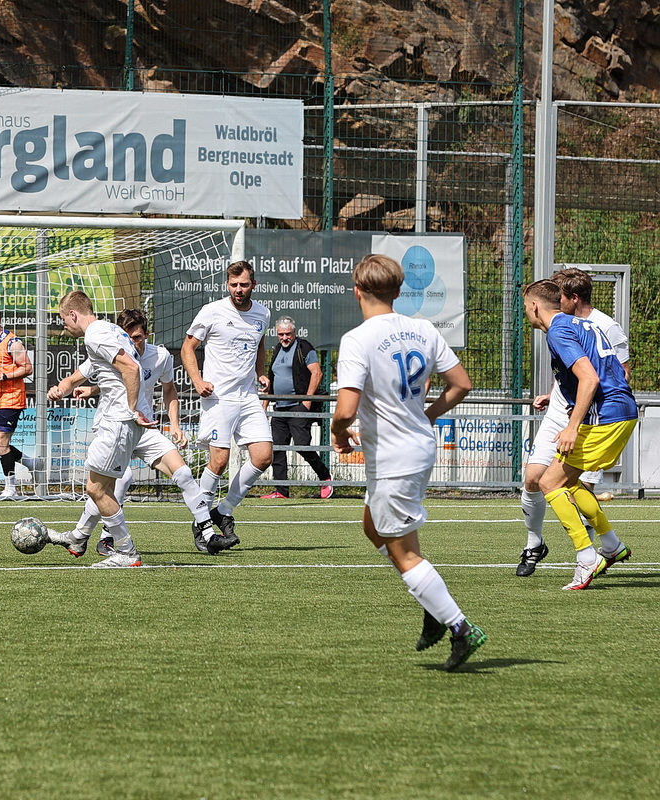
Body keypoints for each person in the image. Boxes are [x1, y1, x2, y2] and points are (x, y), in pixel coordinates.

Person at [330, 254, 486, 671]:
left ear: (357, 291)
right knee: (372, 527)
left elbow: (345, 410)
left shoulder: (357, 339)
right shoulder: (423, 329)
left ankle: (459, 626)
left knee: (405, 554)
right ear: (398, 291)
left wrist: (338, 432)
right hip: (415, 447)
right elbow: (461, 384)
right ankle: (434, 604)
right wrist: (426, 415)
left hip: (394, 456)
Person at [48, 308, 223, 556]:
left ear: (146, 335)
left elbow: (168, 390)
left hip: (143, 425)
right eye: (128, 336)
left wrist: (174, 425)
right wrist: (65, 388)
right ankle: (103, 538)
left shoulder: (160, 356)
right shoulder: (111, 345)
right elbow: (78, 378)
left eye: (138, 337)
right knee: (115, 481)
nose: (133, 342)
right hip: (118, 424)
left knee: (183, 473)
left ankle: (207, 534)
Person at [522, 278, 637, 590]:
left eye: (526, 308)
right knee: (569, 482)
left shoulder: (558, 331)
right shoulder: (583, 324)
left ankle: (587, 557)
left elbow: (589, 378)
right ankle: (611, 545)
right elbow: (615, 371)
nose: (527, 313)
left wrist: (572, 426)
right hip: (620, 412)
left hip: (605, 417)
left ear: (535, 306)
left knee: (549, 482)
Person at [46, 291, 156, 568]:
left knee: (95, 488)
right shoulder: (109, 331)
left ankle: (126, 552)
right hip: (119, 421)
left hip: (118, 421)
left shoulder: (95, 334)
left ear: (73, 314)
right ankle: (79, 537)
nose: (64, 326)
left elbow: (131, 369)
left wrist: (132, 409)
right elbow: (84, 373)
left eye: (64, 320)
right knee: (104, 486)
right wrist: (63, 387)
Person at [180, 260, 273, 553]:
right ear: (227, 285)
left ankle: (224, 510)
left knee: (263, 456)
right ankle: (202, 522)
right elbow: (187, 348)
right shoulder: (212, 311)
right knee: (219, 462)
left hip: (248, 397)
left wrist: (260, 372)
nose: (238, 290)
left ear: (253, 284)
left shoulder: (263, 313)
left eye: (244, 284)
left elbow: (260, 344)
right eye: (233, 285)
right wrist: (197, 380)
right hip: (219, 398)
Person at [260, 315, 334, 500]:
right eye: (281, 334)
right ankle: (281, 491)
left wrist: (306, 402)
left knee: (302, 446)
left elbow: (317, 373)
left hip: (298, 407)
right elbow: (271, 379)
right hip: (279, 408)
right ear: (276, 334)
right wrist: (264, 407)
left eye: (288, 334)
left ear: (295, 333)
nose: (285, 338)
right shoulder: (277, 349)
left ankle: (325, 477)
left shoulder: (304, 347)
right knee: (277, 448)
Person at [0, 303, 38, 498]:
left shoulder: (13, 343)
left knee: (1, 444)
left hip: (12, 398)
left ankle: (11, 488)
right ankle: (30, 462)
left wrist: (4, 376)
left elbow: (27, 368)